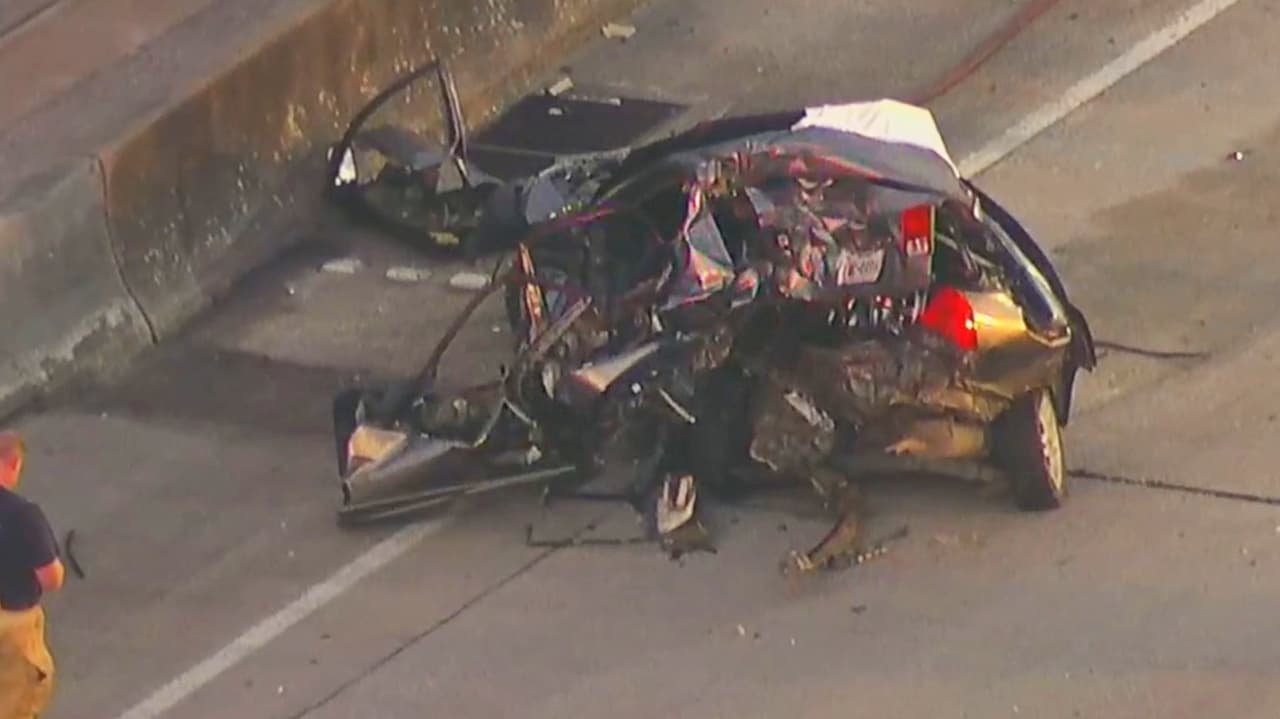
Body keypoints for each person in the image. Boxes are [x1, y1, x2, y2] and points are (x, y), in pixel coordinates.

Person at [0, 431, 63, 718]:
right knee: (16, 703)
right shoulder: (23, 515)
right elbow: (50, 578)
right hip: (12, 624)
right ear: (12, 464)